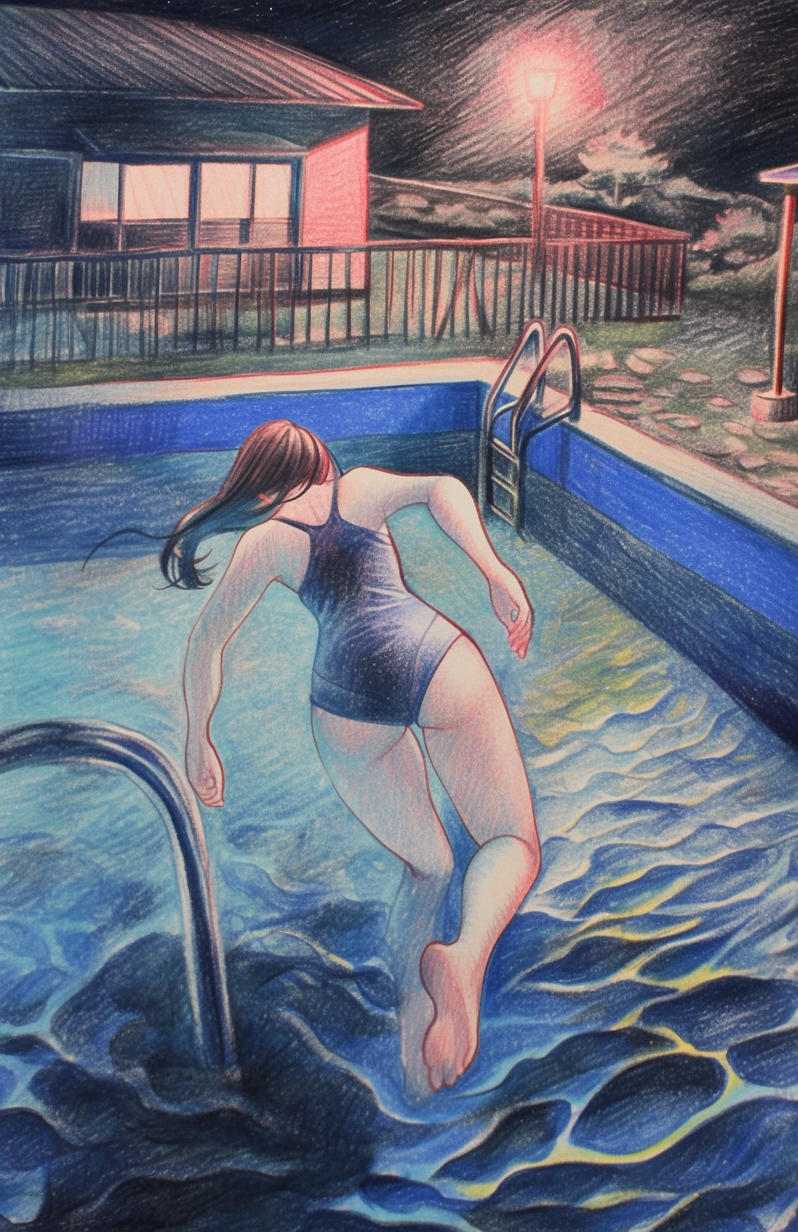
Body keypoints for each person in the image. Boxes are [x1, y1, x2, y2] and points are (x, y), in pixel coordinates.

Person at [165, 419, 540, 1096]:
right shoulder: (359, 488)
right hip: (432, 660)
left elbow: (205, 643)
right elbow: (444, 488)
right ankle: (464, 960)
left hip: (347, 701)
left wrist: (199, 738)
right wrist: (495, 570)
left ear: (260, 487)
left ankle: (417, 1057)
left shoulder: (265, 542)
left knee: (428, 867)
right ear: (321, 464)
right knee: (511, 842)